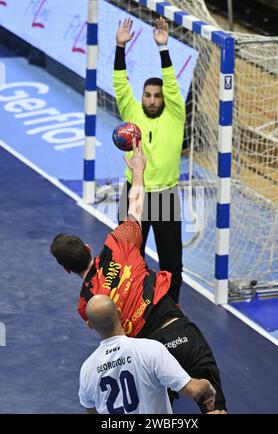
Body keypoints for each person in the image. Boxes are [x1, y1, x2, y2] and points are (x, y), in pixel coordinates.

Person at [50, 140, 227, 414]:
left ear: (66, 269)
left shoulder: (87, 306)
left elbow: (103, 325)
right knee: (214, 406)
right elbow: (136, 205)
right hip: (177, 331)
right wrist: (138, 170)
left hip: (144, 355)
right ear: (87, 247)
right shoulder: (119, 243)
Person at [114, 17, 184, 303]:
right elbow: (120, 84)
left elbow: (170, 82)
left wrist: (163, 47)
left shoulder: (175, 115)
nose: (152, 100)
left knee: (171, 262)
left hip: (166, 195)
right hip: (135, 194)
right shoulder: (132, 112)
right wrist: (120, 47)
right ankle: (130, 304)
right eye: (148, 95)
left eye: (157, 96)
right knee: (128, 257)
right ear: (142, 96)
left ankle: (172, 308)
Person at [79, 294, 216, 414]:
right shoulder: (150, 349)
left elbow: (91, 411)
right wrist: (206, 384)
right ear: (120, 313)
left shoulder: (87, 369)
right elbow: (192, 390)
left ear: (90, 325)